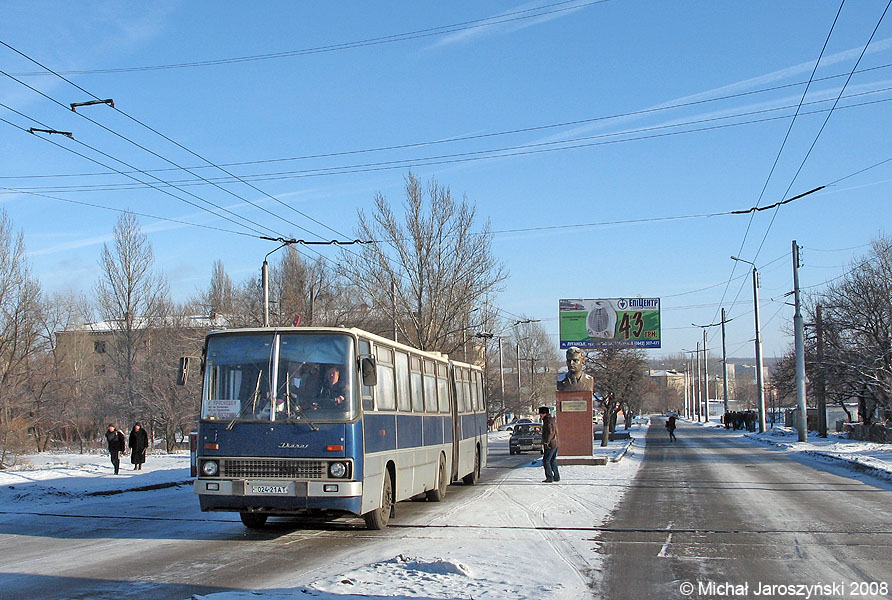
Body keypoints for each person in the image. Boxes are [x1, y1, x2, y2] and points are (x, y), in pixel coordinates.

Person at [539, 406, 560, 483]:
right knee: (552, 460)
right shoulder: (552, 419)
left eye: (540, 414)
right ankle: (556, 476)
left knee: (546, 461)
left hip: (550, 444)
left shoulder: (547, 421)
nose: (540, 416)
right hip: (555, 443)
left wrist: (546, 442)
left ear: (544, 413)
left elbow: (550, 433)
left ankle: (549, 477)